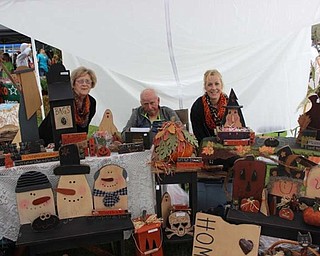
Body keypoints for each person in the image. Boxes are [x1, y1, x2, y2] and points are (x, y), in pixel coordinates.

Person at [39, 66, 97, 146]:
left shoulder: (92, 102)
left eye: (87, 81)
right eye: (80, 81)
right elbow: (55, 125)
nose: (84, 84)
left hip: (75, 142)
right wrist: (54, 143)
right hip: (49, 139)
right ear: (73, 84)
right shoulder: (65, 99)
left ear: (92, 84)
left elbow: (84, 129)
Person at [190, 69, 228, 144]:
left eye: (217, 84)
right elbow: (199, 136)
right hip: (207, 147)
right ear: (205, 87)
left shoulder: (230, 104)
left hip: (229, 146)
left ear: (222, 85)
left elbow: (239, 128)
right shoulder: (197, 106)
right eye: (210, 84)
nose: (214, 88)